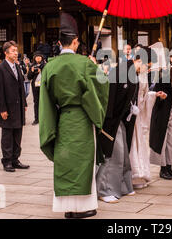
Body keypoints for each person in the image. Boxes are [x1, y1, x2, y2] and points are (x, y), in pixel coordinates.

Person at [39, 13, 109, 219]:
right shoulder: (84, 64)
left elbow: (45, 102)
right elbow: (102, 87)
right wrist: (94, 67)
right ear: (76, 41)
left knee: (66, 161)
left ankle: (67, 208)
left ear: (60, 42)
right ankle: (83, 207)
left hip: (63, 118)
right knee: (84, 161)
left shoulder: (49, 66)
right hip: (82, 119)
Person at [96, 58, 139, 203]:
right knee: (113, 155)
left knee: (124, 154)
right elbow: (109, 98)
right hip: (111, 120)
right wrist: (106, 122)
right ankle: (104, 190)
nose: (147, 69)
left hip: (121, 119)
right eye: (148, 65)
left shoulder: (131, 73)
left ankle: (123, 185)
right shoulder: (119, 72)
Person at [0, 41, 29, 172]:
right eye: (13, 51)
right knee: (7, 134)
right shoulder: (0, 69)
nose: (16, 53)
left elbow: (21, 86)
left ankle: (15, 159)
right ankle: (7, 160)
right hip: (7, 107)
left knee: (18, 133)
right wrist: (2, 108)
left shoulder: (17, 67)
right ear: (6, 53)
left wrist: (24, 103)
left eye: (16, 50)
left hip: (18, 106)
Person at [149, 64, 172, 180]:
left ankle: (169, 167)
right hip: (162, 115)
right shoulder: (163, 81)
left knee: (171, 142)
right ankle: (163, 168)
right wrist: (160, 97)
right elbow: (154, 97)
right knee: (162, 142)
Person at [129, 47, 157, 189]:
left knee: (140, 144)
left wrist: (154, 95)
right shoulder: (129, 72)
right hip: (131, 114)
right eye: (147, 65)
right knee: (133, 145)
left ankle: (141, 175)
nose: (148, 68)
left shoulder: (143, 74)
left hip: (139, 114)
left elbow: (145, 96)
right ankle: (133, 175)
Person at [27, 51, 46, 125]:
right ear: (34, 58)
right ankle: (36, 118)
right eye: (36, 57)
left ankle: (44, 118)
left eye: (39, 57)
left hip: (43, 86)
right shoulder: (32, 65)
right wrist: (31, 72)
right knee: (36, 102)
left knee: (44, 102)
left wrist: (41, 71)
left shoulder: (45, 65)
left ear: (42, 57)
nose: (38, 58)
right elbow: (29, 77)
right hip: (35, 87)